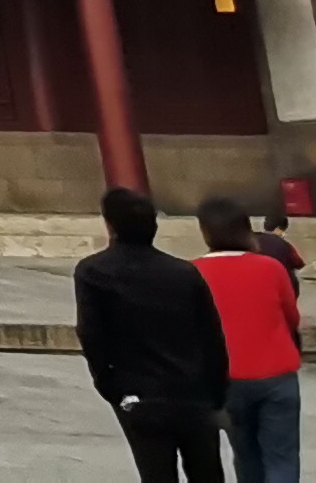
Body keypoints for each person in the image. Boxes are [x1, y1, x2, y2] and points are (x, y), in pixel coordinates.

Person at [75, 187, 230, 482]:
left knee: (156, 473)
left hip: (139, 393)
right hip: (194, 392)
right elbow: (211, 335)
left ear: (110, 225)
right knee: (207, 472)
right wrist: (216, 392)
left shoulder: (93, 272)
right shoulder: (184, 273)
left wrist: (111, 387)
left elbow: (92, 335)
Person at [191, 198, 302, 483]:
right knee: (282, 457)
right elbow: (291, 316)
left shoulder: (193, 272)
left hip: (225, 376)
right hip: (277, 372)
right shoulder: (271, 268)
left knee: (245, 454)